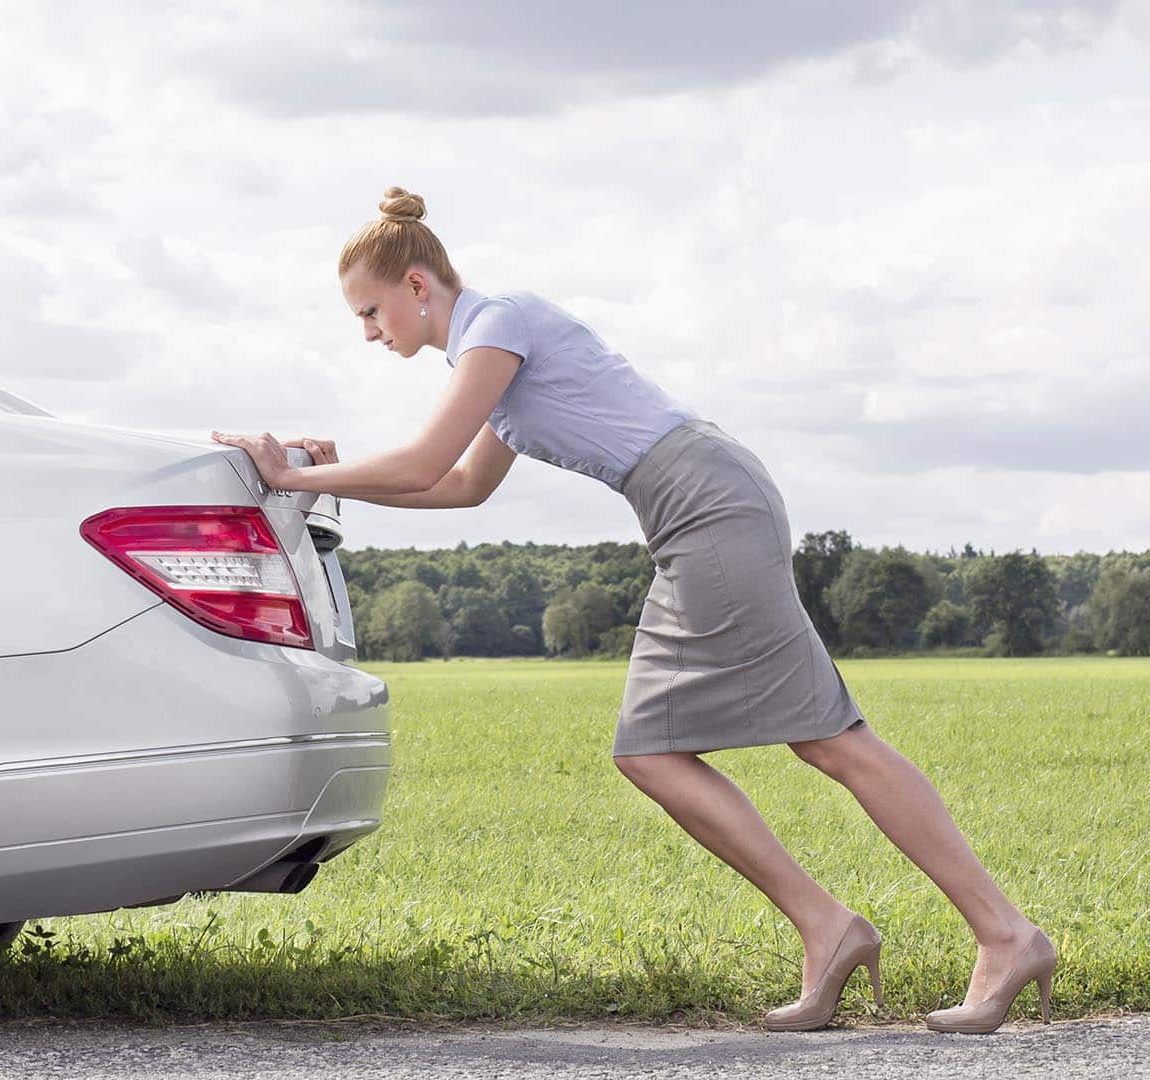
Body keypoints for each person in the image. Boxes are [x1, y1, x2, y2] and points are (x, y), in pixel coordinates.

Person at [210, 186, 1055, 1034]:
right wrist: (327, 474)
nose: (367, 332)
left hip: (706, 502)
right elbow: (462, 486)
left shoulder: (498, 322)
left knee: (826, 740)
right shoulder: (491, 360)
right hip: (692, 506)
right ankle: (839, 929)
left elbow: (427, 462)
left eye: (370, 311)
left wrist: (291, 476)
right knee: (666, 748)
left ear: (418, 285)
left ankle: (995, 934)